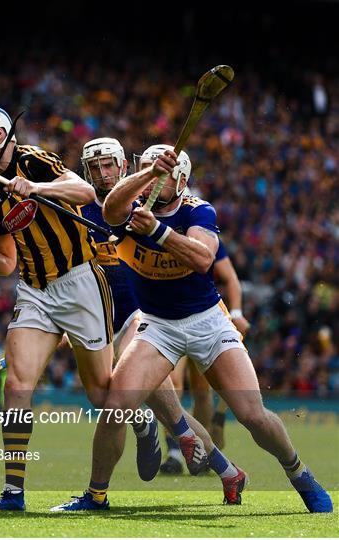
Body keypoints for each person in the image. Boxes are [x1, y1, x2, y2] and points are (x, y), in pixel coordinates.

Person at [51, 144, 332, 513]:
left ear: (181, 180)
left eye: (162, 174)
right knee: (116, 407)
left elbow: (203, 259)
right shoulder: (133, 208)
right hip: (157, 325)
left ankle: (299, 475)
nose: (154, 181)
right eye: (148, 172)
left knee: (252, 415)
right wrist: (150, 175)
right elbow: (111, 209)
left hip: (208, 322)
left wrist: (158, 231)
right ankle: (95, 495)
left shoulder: (198, 210)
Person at [0, 106, 114, 511]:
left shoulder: (34, 160)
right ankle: (13, 493)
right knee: (16, 385)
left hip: (80, 280)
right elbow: (7, 263)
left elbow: (85, 193)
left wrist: (36, 188)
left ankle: (145, 422)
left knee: (102, 392)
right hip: (34, 291)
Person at [79, 138, 244, 488]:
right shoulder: (78, 204)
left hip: (143, 314)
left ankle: (110, 481)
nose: (102, 173)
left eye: (109, 165)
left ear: (125, 167)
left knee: (156, 400)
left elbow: (211, 263)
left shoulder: (144, 207)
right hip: (98, 316)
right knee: (113, 401)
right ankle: (225, 468)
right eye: (95, 167)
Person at [160, 240, 251, 474]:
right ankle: (175, 453)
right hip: (169, 321)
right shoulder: (159, 235)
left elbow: (231, 279)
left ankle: (202, 451)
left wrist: (237, 312)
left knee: (202, 394)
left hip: (204, 322)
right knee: (174, 386)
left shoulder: (205, 239)